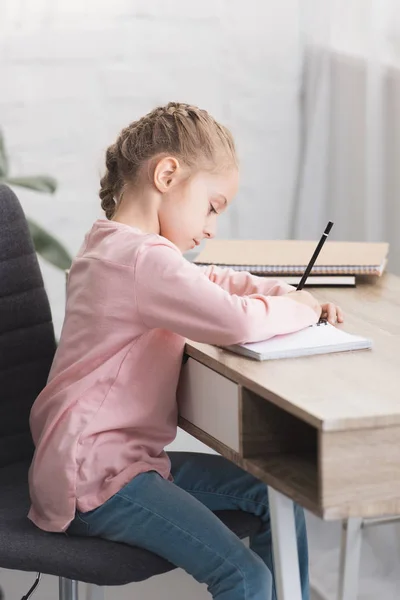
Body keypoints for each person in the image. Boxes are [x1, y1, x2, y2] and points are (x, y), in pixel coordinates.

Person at [28, 102, 343, 600]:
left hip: (99, 462)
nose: (213, 226)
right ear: (168, 174)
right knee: (245, 576)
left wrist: (288, 295)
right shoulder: (141, 259)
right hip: (97, 480)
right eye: (213, 205)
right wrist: (303, 309)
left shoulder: (111, 243)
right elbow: (234, 319)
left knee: (269, 494)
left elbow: (212, 280)